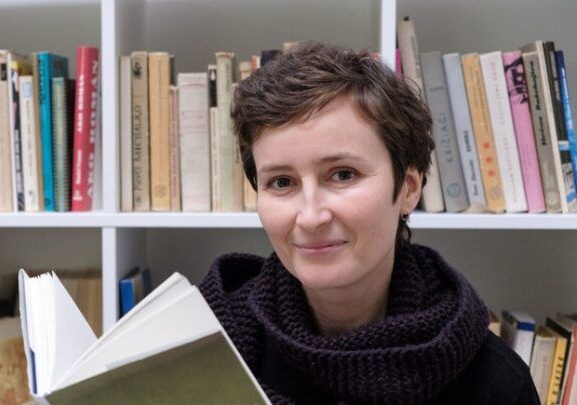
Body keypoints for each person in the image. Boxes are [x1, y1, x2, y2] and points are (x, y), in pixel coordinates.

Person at [198, 42, 539, 404]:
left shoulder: (495, 383)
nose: (311, 217)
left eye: (343, 174)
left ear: (408, 189)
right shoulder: (205, 349)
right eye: (282, 182)